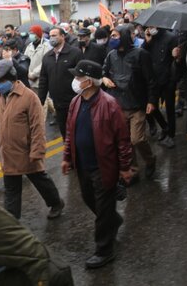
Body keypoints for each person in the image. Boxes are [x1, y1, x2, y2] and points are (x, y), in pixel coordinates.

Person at [61, 60, 133, 269]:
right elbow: (69, 133)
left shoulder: (109, 104)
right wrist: (66, 157)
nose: (75, 81)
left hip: (104, 167)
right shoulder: (76, 102)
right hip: (83, 165)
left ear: (90, 81)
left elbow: (122, 139)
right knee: (88, 198)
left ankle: (104, 250)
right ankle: (114, 220)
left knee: (103, 209)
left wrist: (125, 167)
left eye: (78, 77)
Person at [0, 59, 64, 220]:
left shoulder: (29, 97)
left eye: (1, 81)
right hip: (8, 153)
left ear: (12, 79)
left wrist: (37, 150)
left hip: (27, 151)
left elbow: (37, 127)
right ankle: (12, 223)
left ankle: (56, 202)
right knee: (11, 190)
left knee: (41, 181)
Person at [103, 25, 157, 181]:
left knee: (137, 139)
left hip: (137, 105)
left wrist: (151, 101)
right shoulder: (111, 55)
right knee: (125, 141)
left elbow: (151, 80)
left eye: (115, 36)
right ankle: (133, 169)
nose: (112, 39)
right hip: (119, 105)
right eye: (111, 36)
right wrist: (105, 78)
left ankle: (150, 160)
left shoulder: (141, 54)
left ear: (125, 36)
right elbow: (104, 72)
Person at [38, 28, 84, 138]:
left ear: (63, 36)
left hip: (75, 101)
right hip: (58, 102)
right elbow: (43, 79)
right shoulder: (47, 57)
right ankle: (69, 153)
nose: (52, 38)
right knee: (64, 131)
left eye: (54, 35)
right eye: (50, 36)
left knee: (77, 131)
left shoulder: (75, 53)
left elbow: (82, 76)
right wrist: (41, 100)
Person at [143, 26, 179, 148]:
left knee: (169, 108)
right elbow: (143, 55)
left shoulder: (171, 37)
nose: (151, 28)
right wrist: (147, 42)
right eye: (149, 26)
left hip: (168, 78)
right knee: (151, 106)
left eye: (153, 26)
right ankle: (164, 126)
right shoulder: (150, 38)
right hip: (153, 79)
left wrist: (176, 56)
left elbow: (176, 59)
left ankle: (171, 134)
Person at [25, 25, 51, 92]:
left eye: (33, 33)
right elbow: (25, 60)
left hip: (40, 79)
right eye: (30, 33)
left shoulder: (47, 46)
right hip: (29, 80)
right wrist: (27, 73)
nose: (31, 35)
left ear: (38, 34)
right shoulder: (29, 46)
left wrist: (34, 74)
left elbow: (45, 62)